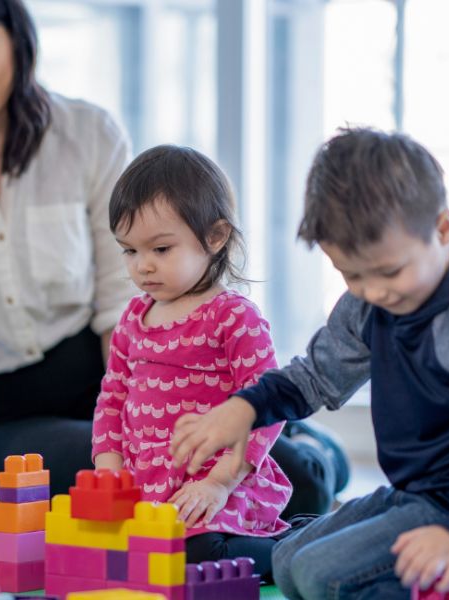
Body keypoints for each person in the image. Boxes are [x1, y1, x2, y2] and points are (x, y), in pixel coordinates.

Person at [0, 0, 348, 511]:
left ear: (18, 45)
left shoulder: (87, 133)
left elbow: (123, 296)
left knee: (292, 478)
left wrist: (149, 424)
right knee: (125, 493)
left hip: (114, 381)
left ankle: (314, 452)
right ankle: (299, 450)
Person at [170, 127, 449, 600]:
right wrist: (244, 409)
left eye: (389, 272)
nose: (373, 291)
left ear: (442, 229)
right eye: (351, 275)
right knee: (290, 563)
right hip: (422, 494)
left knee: (322, 578)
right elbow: (315, 377)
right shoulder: (372, 301)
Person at [92, 145, 291, 574]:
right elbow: (112, 398)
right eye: (128, 251)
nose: (142, 266)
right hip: (150, 491)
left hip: (220, 485)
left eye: (161, 249)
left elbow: (268, 407)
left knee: (197, 555)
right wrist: (108, 472)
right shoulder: (132, 318)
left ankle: (301, 550)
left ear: (215, 237)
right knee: (114, 556)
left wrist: (219, 482)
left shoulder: (233, 317)